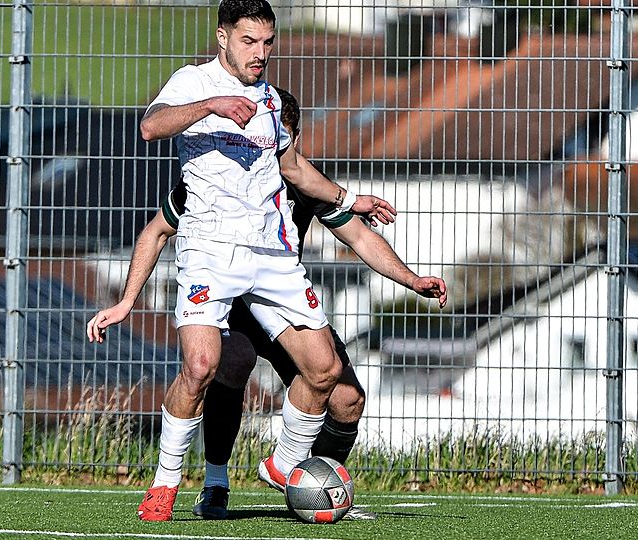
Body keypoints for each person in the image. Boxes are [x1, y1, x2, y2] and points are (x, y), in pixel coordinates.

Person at [87, 88, 447, 520]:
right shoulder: (218, 178)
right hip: (235, 305)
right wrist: (128, 300)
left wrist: (411, 279)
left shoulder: (306, 183)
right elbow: (155, 231)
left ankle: (309, 484)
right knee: (229, 362)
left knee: (348, 398)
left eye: (282, 140)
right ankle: (215, 482)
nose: (272, 149)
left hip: (282, 301)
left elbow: (360, 237)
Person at [123, 0, 396, 522]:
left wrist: (349, 199)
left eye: (268, 43)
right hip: (210, 251)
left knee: (325, 369)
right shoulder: (193, 81)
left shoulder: (270, 100)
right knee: (201, 366)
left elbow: (294, 168)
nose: (260, 53)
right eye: (250, 41)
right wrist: (213, 105)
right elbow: (152, 126)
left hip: (271, 255)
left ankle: (284, 464)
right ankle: (165, 484)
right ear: (223, 37)